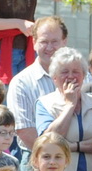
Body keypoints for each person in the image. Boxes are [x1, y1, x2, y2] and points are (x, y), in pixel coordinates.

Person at [33, 47, 92, 171]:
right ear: (54, 78)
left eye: (76, 71)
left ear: (84, 76)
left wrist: (72, 146)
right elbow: (49, 141)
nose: (71, 76)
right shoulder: (45, 104)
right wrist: (70, 105)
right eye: (64, 72)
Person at [6, 17, 68, 151]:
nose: (50, 47)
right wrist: (53, 155)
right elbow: (24, 130)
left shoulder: (83, 77)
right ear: (34, 42)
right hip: (36, 156)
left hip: (77, 154)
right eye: (44, 42)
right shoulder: (21, 82)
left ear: (64, 42)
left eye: (54, 42)